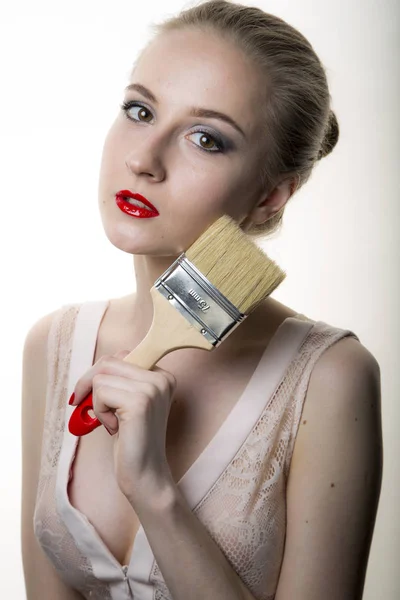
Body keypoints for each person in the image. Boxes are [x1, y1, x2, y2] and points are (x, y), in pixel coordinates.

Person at [21, 1, 383, 599]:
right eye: (140, 110)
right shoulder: (55, 344)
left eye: (205, 139)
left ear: (270, 194)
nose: (142, 159)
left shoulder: (329, 378)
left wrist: (153, 489)